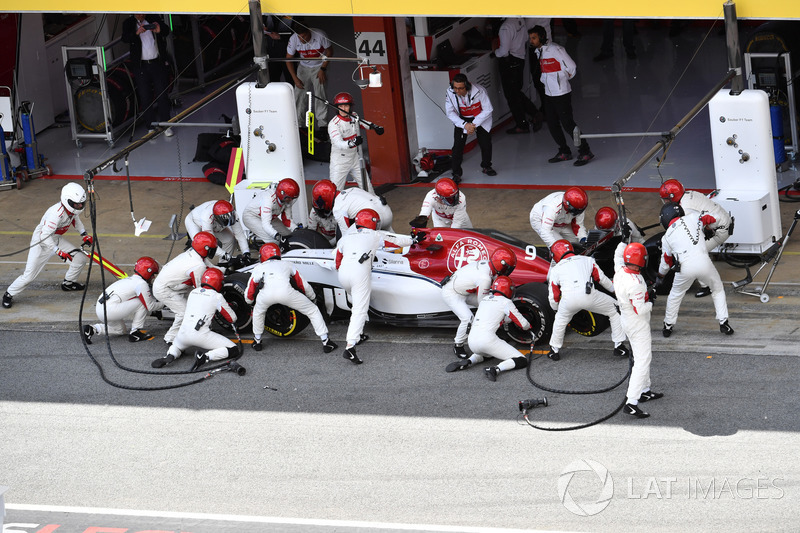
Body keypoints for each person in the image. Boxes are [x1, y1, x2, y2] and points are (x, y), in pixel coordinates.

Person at [335, 209, 421, 364]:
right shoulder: (374, 235)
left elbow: (337, 258)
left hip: (342, 274)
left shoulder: (346, 237)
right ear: (372, 222)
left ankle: (358, 334)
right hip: (359, 272)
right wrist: (413, 240)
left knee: (355, 303)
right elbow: (394, 240)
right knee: (359, 310)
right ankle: (350, 346)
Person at [3, 182, 91, 309]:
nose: (79, 206)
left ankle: (68, 283)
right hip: (41, 242)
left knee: (80, 259)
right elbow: (44, 236)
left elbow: (75, 220)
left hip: (54, 238)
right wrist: (58, 252)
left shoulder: (72, 210)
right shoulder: (55, 214)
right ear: (67, 201)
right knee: (29, 276)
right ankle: (9, 294)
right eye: (77, 204)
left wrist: (84, 234)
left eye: (81, 204)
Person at [656, 202, 734, 338]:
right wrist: (709, 228)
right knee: (717, 289)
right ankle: (724, 322)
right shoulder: (694, 217)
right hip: (704, 262)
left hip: (684, 267)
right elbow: (714, 218)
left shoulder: (666, 237)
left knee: (675, 294)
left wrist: (660, 276)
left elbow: (666, 263)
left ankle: (668, 326)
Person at [545, 240, 629, 361]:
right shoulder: (587, 260)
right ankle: (619, 346)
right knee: (615, 309)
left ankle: (554, 350)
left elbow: (554, 295)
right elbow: (602, 279)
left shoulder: (555, 269)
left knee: (560, 321)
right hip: (589, 296)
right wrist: (615, 291)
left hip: (568, 300)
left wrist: (556, 309)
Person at [245, 243, 337, 353]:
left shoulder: (258, 268)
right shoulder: (287, 264)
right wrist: (312, 297)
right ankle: (326, 342)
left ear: (262, 256)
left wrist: (249, 301)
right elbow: (302, 284)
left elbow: (250, 288)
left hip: (265, 295)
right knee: (312, 310)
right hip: (287, 293)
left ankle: (257, 341)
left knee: (258, 312)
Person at [528, 25, 594, 166]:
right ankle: (564, 151)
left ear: (541, 37)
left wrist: (561, 80)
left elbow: (572, 67)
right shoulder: (539, 51)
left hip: (562, 93)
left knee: (568, 124)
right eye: (530, 38)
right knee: (552, 124)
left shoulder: (556, 50)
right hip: (548, 93)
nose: (531, 41)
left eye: (534, 38)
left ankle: (585, 151)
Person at [445, 276, 532, 382]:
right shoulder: (505, 302)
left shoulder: (485, 300)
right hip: (487, 341)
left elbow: (499, 318)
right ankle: (495, 369)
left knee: (490, 352)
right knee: (521, 360)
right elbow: (524, 325)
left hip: (472, 342)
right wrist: (529, 324)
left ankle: (470, 361)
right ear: (509, 290)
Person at [152, 268, 240, 370]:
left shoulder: (193, 292)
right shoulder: (216, 296)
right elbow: (232, 318)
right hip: (200, 335)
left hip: (182, 334)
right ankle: (205, 357)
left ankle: (171, 355)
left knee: (178, 346)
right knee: (233, 349)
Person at [659, 178, 733, 297]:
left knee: (692, 255)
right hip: (721, 223)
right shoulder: (689, 194)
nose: (665, 202)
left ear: (672, 196)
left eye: (666, 199)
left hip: (719, 229)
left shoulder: (686, 208)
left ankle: (708, 286)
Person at [613, 241, 663, 418]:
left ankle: (645, 390)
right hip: (637, 323)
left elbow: (617, 255)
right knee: (642, 361)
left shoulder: (620, 271)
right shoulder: (636, 284)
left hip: (626, 320)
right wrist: (651, 301)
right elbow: (640, 309)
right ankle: (631, 402)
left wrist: (623, 240)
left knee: (643, 357)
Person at [441, 247, 517, 358]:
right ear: (501, 264)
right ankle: (458, 345)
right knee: (468, 319)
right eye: (507, 268)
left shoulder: (488, 266)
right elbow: (484, 304)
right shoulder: (485, 278)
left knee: (494, 306)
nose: (508, 271)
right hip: (452, 293)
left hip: (463, 291)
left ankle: (495, 334)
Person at [151, 231, 217, 348]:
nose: (213, 250)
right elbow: (200, 289)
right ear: (205, 248)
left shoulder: (194, 253)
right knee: (184, 312)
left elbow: (211, 267)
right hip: (164, 289)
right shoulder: (198, 265)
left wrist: (225, 271)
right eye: (211, 248)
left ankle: (203, 327)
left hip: (171, 284)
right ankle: (170, 338)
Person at [82, 256, 165, 344]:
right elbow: (150, 306)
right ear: (147, 272)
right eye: (153, 274)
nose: (153, 277)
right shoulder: (141, 283)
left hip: (101, 309)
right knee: (141, 303)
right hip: (110, 310)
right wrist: (164, 303)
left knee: (120, 330)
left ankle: (92, 329)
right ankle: (135, 333)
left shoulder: (129, 280)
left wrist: (154, 312)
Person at [121, 14, 173, 136]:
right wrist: (137, 33)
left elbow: (166, 30)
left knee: (162, 94)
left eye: (143, 12)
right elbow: (125, 38)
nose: (142, 15)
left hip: (157, 63)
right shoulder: (128, 23)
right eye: (139, 13)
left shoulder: (153, 17)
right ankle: (150, 126)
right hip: (141, 66)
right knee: (145, 96)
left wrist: (159, 30)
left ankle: (166, 125)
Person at [444, 73, 496, 182]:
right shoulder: (450, 92)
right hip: (462, 120)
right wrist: (464, 125)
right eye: (455, 88)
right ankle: (456, 173)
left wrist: (473, 125)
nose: (457, 91)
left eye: (460, 88)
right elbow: (450, 113)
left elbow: (488, 109)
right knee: (457, 146)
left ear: (467, 86)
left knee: (485, 143)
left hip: (480, 118)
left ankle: (486, 166)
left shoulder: (480, 91)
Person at [495, 17, 542, 134]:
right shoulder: (519, 20)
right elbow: (526, 37)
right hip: (520, 59)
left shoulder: (505, 27)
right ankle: (534, 114)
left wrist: (494, 51)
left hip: (509, 62)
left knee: (512, 96)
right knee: (516, 92)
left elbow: (503, 51)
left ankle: (523, 124)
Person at [286, 25, 333, 128]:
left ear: (309, 32)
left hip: (319, 66)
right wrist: (295, 78)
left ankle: (322, 126)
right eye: (300, 37)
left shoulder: (320, 35)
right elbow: (288, 59)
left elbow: (330, 51)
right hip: (303, 67)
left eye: (304, 37)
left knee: (320, 95)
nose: (302, 40)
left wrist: (323, 69)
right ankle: (299, 125)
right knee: (299, 96)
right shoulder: (294, 39)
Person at [327, 92, 374, 193]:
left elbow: (361, 122)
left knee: (368, 188)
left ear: (350, 107)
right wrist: (352, 143)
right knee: (334, 192)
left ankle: (372, 207)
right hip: (340, 162)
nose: (343, 109)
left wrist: (374, 126)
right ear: (337, 107)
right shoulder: (333, 124)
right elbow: (338, 143)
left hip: (355, 158)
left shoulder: (354, 116)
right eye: (340, 106)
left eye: (346, 106)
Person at [242, 178, 301, 249]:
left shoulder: (287, 200)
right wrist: (277, 236)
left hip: (270, 217)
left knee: (289, 234)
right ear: (281, 193)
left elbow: (287, 220)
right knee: (273, 240)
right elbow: (266, 225)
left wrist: (296, 229)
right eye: (289, 198)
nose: (291, 200)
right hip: (252, 216)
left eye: (292, 198)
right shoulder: (268, 199)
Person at [184, 200, 250, 261]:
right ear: (216, 217)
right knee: (200, 246)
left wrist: (246, 252)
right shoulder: (207, 217)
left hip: (215, 224)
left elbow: (240, 235)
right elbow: (210, 243)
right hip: (194, 222)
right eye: (225, 219)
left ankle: (224, 264)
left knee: (229, 239)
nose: (228, 221)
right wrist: (225, 255)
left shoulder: (233, 213)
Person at [307, 179, 338, 245]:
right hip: (325, 240)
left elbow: (344, 232)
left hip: (341, 239)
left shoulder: (339, 209)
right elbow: (311, 233)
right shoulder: (314, 212)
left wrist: (328, 244)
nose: (317, 211)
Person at [263, 15, 292, 83]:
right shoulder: (267, 14)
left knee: (290, 79)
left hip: (288, 53)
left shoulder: (292, 14)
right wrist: (263, 27)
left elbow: (299, 34)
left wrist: (280, 37)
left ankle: (293, 92)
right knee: (273, 79)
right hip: (272, 53)